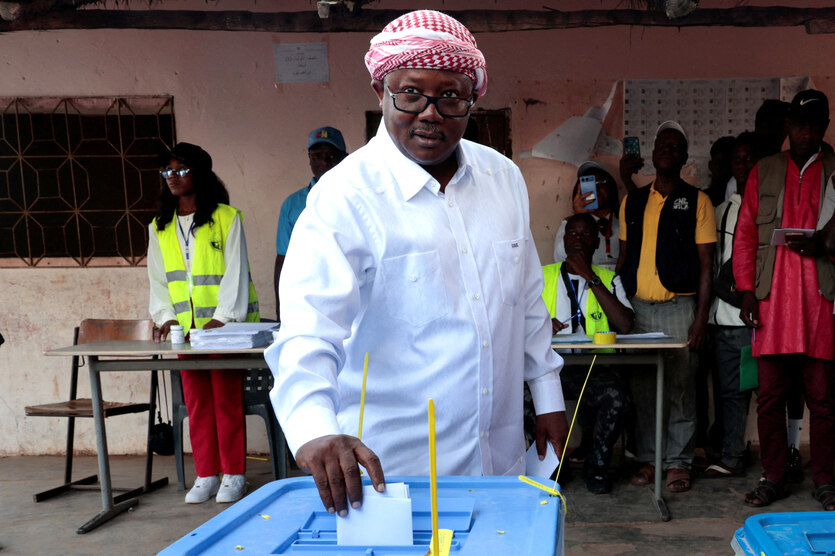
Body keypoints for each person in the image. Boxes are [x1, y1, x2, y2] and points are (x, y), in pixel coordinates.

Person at [265, 10, 568, 517]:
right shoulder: (344, 196)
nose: (430, 113)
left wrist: (548, 396)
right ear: (380, 91)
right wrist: (314, 428)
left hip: (501, 461)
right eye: (410, 93)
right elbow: (308, 330)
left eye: (450, 96)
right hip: (394, 476)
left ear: (472, 99)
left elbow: (527, 299)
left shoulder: (504, 179)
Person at [733, 89, 835, 511]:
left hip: (821, 302)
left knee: (824, 400)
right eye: (798, 125)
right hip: (772, 302)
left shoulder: (834, 170)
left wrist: (825, 245)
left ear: (824, 127)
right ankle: (773, 475)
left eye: (814, 125)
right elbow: (745, 235)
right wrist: (746, 291)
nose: (805, 133)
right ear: (788, 126)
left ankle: (826, 480)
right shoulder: (765, 170)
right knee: (770, 396)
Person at [148, 142, 259, 504]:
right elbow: (158, 280)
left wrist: (222, 318)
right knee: (196, 404)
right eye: (167, 171)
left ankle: (234, 474)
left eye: (181, 170)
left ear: (200, 173)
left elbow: (236, 272)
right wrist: (165, 317)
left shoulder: (226, 217)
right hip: (185, 331)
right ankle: (207, 473)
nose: (173, 177)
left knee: (226, 402)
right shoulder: (159, 226)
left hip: (223, 331)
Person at [616, 121, 716, 493]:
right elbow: (624, 258)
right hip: (639, 310)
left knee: (680, 388)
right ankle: (649, 458)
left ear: (685, 157)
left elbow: (706, 265)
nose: (668, 151)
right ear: (653, 153)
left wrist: (700, 319)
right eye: (662, 145)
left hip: (679, 308)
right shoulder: (633, 200)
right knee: (643, 388)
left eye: (675, 147)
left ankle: (678, 462)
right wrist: (622, 307)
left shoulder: (698, 201)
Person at [542, 213, 634, 493]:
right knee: (523, 398)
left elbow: (625, 325)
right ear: (564, 240)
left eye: (585, 235)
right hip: (552, 369)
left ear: (596, 242)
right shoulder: (542, 276)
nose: (577, 240)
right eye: (572, 234)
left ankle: (597, 467)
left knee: (617, 396)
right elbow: (517, 322)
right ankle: (553, 466)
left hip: (595, 369)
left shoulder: (609, 278)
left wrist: (590, 277)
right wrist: (542, 325)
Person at [703, 132, 761, 478]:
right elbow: (711, 266)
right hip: (723, 317)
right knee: (729, 391)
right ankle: (732, 454)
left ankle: (744, 457)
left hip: (753, 317)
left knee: (755, 390)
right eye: (737, 159)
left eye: (749, 158)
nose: (742, 165)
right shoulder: (720, 211)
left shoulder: (767, 210)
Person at [274, 127, 347, 321]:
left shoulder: (357, 199)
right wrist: (280, 309)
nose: (324, 162)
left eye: (331, 156)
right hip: (306, 300)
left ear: (344, 158)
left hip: (348, 297)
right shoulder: (293, 204)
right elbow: (283, 259)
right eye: (317, 156)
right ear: (309, 158)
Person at [553, 161, 620, 270]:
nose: (596, 188)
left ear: (611, 186)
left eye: (601, 182)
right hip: (587, 280)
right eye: (589, 184)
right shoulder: (568, 224)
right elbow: (559, 258)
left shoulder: (625, 221)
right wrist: (578, 216)